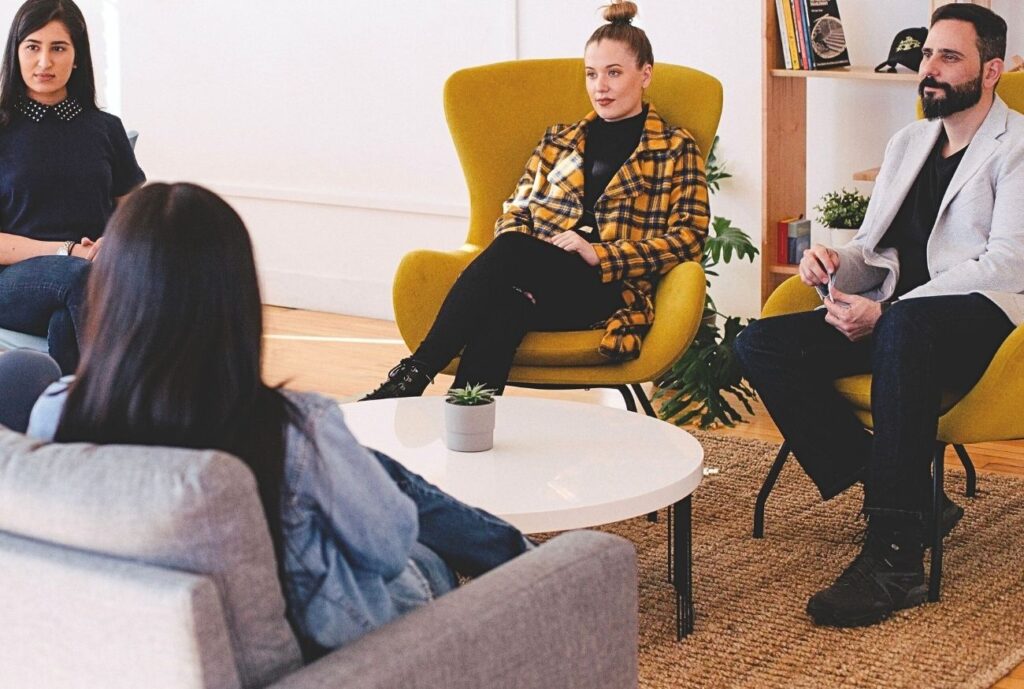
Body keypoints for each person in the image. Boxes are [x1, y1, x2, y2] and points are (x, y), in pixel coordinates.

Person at [11, 183, 530, 658]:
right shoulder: (291, 428)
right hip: (330, 649)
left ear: (108, 293)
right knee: (420, 547)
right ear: (235, 296)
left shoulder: (56, 411)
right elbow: (390, 546)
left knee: (361, 465)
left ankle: (505, 547)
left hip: (144, 644)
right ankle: (530, 567)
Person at [734, 4, 1023, 628]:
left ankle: (896, 559)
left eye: (950, 57)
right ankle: (912, 497)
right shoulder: (909, 142)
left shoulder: (1018, 146)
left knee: (906, 328)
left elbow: (1007, 264)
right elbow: (876, 247)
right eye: (927, 54)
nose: (930, 68)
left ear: (991, 70)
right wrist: (835, 262)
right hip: (900, 322)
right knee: (761, 344)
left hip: (986, 325)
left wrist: (888, 311)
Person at [363, 0, 709, 399]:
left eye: (614, 73)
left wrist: (600, 253)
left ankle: (415, 373)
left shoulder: (675, 147)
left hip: (608, 290)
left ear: (645, 74)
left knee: (512, 251)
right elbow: (517, 209)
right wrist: (537, 255)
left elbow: (689, 238)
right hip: (536, 278)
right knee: (506, 308)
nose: (600, 86)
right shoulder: (558, 140)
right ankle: (465, 416)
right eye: (592, 74)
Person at [0, 0, 144, 372]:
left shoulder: (105, 128)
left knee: (68, 320)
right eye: (33, 47)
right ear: (16, 52)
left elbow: (136, 212)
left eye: (59, 48)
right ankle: (134, 395)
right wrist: (68, 252)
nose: (44, 62)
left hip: (90, 279)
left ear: (77, 56)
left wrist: (114, 242)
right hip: (13, 281)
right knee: (83, 280)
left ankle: (71, 405)